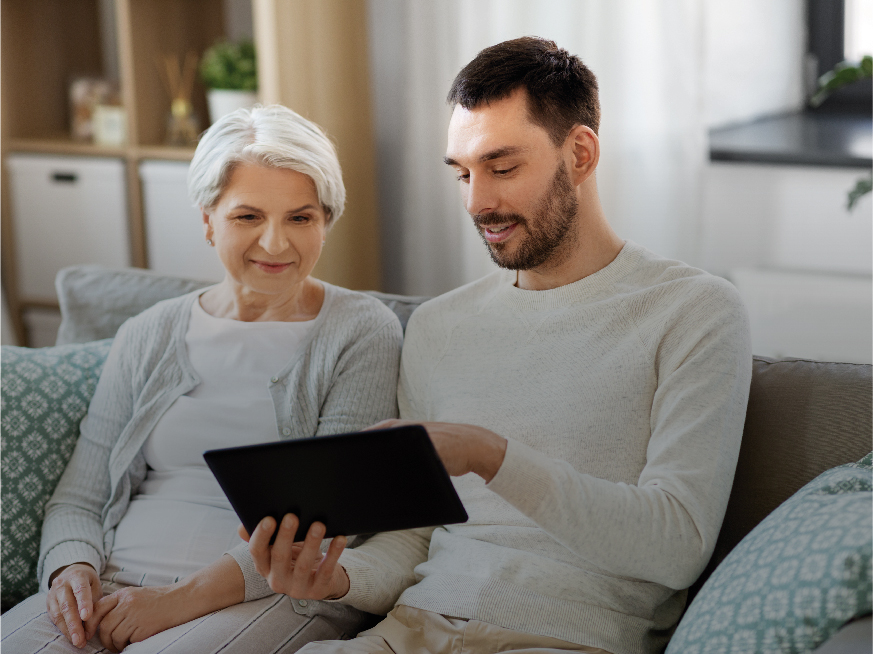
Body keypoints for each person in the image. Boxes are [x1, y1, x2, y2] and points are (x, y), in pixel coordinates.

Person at [239, 37, 753, 654]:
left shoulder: (693, 311)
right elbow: (417, 539)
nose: (478, 202)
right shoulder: (437, 327)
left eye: (502, 168)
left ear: (581, 153)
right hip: (409, 630)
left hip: (565, 638)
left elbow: (675, 548)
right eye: (462, 172)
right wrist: (338, 578)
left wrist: (489, 454)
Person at [1, 104, 403, 653]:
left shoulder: (362, 332)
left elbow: (328, 519)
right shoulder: (148, 332)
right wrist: (69, 569)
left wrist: (176, 601)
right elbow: (82, 494)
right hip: (112, 583)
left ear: (326, 222)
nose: (275, 244)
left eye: (300, 218)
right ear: (208, 218)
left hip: (270, 597)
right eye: (248, 217)